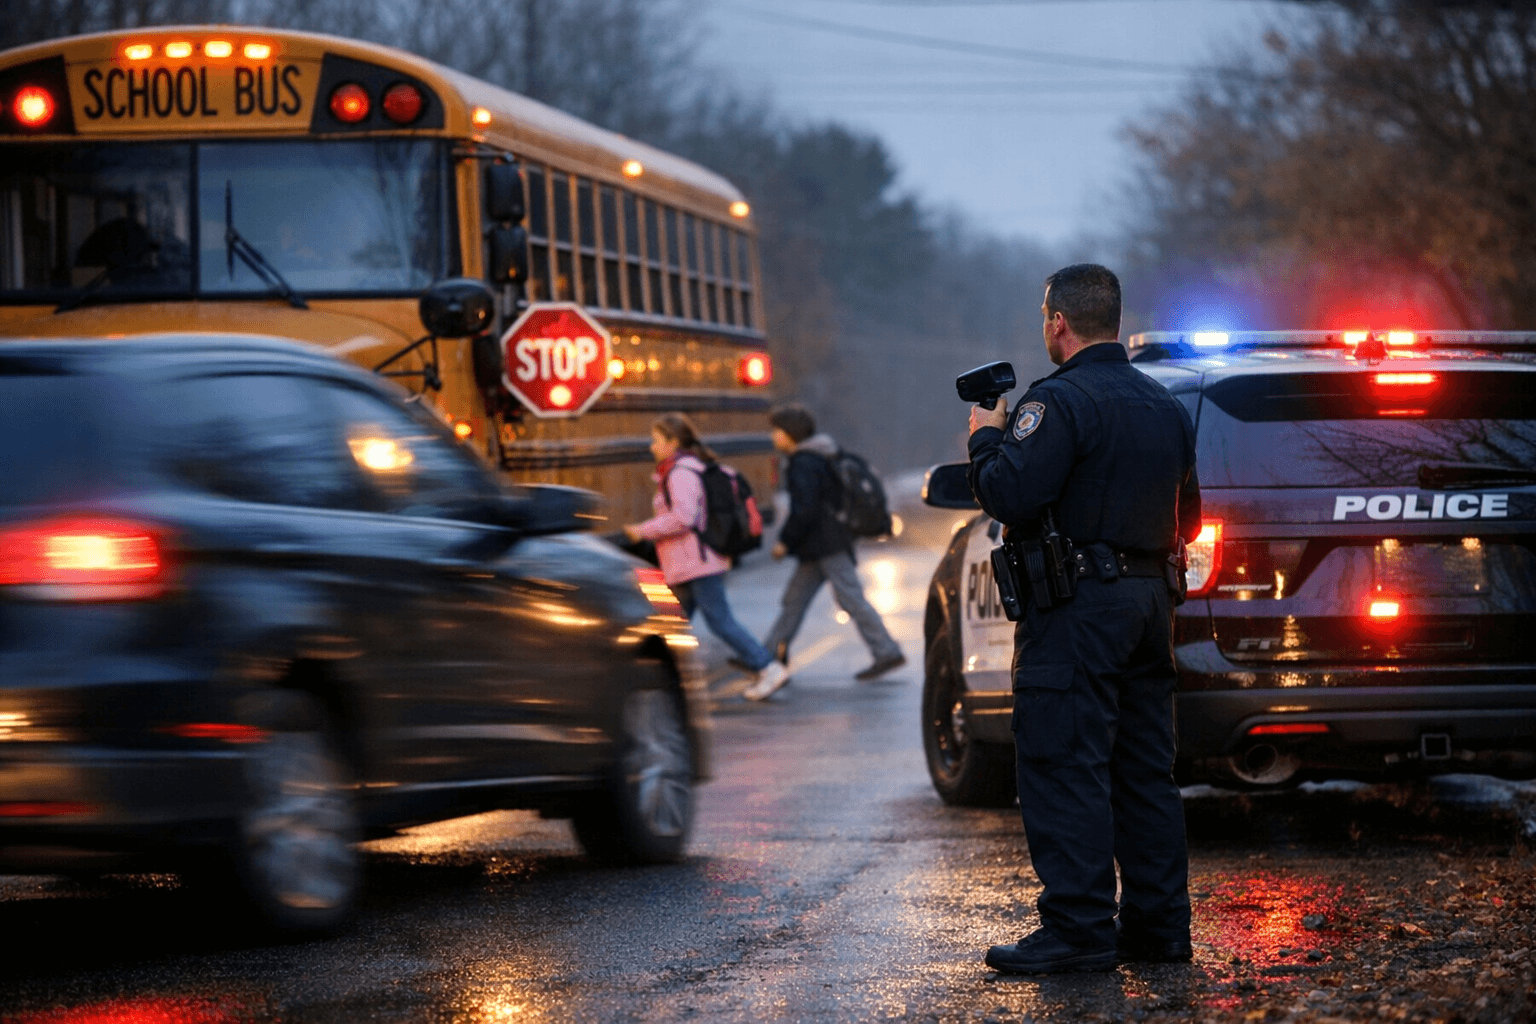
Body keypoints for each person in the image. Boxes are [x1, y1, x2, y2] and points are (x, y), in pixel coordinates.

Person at [967, 264, 1202, 974]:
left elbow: (1011, 492)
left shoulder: (1055, 404)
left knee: (1065, 763)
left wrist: (986, 437)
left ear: (1057, 323)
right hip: (1149, 605)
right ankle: (1159, 929)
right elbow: (1188, 516)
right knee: (1144, 772)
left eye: (1045, 316)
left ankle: (1078, 929)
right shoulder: (1165, 406)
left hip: (1077, 613)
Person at [745, 404, 904, 702]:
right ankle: (767, 657)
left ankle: (887, 651)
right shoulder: (823, 454)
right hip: (821, 545)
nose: (773, 436)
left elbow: (805, 510)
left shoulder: (804, 462)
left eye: (777, 431)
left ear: (790, 433)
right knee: (794, 601)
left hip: (827, 544)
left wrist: (785, 541)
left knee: (850, 598)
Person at [625, 413, 788, 697]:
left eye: (656, 441)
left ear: (673, 443)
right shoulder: (679, 470)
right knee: (671, 623)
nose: (651, 446)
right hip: (688, 564)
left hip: (697, 563)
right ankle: (656, 682)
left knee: (718, 622)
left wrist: (643, 530)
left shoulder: (681, 473)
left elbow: (684, 517)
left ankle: (768, 667)